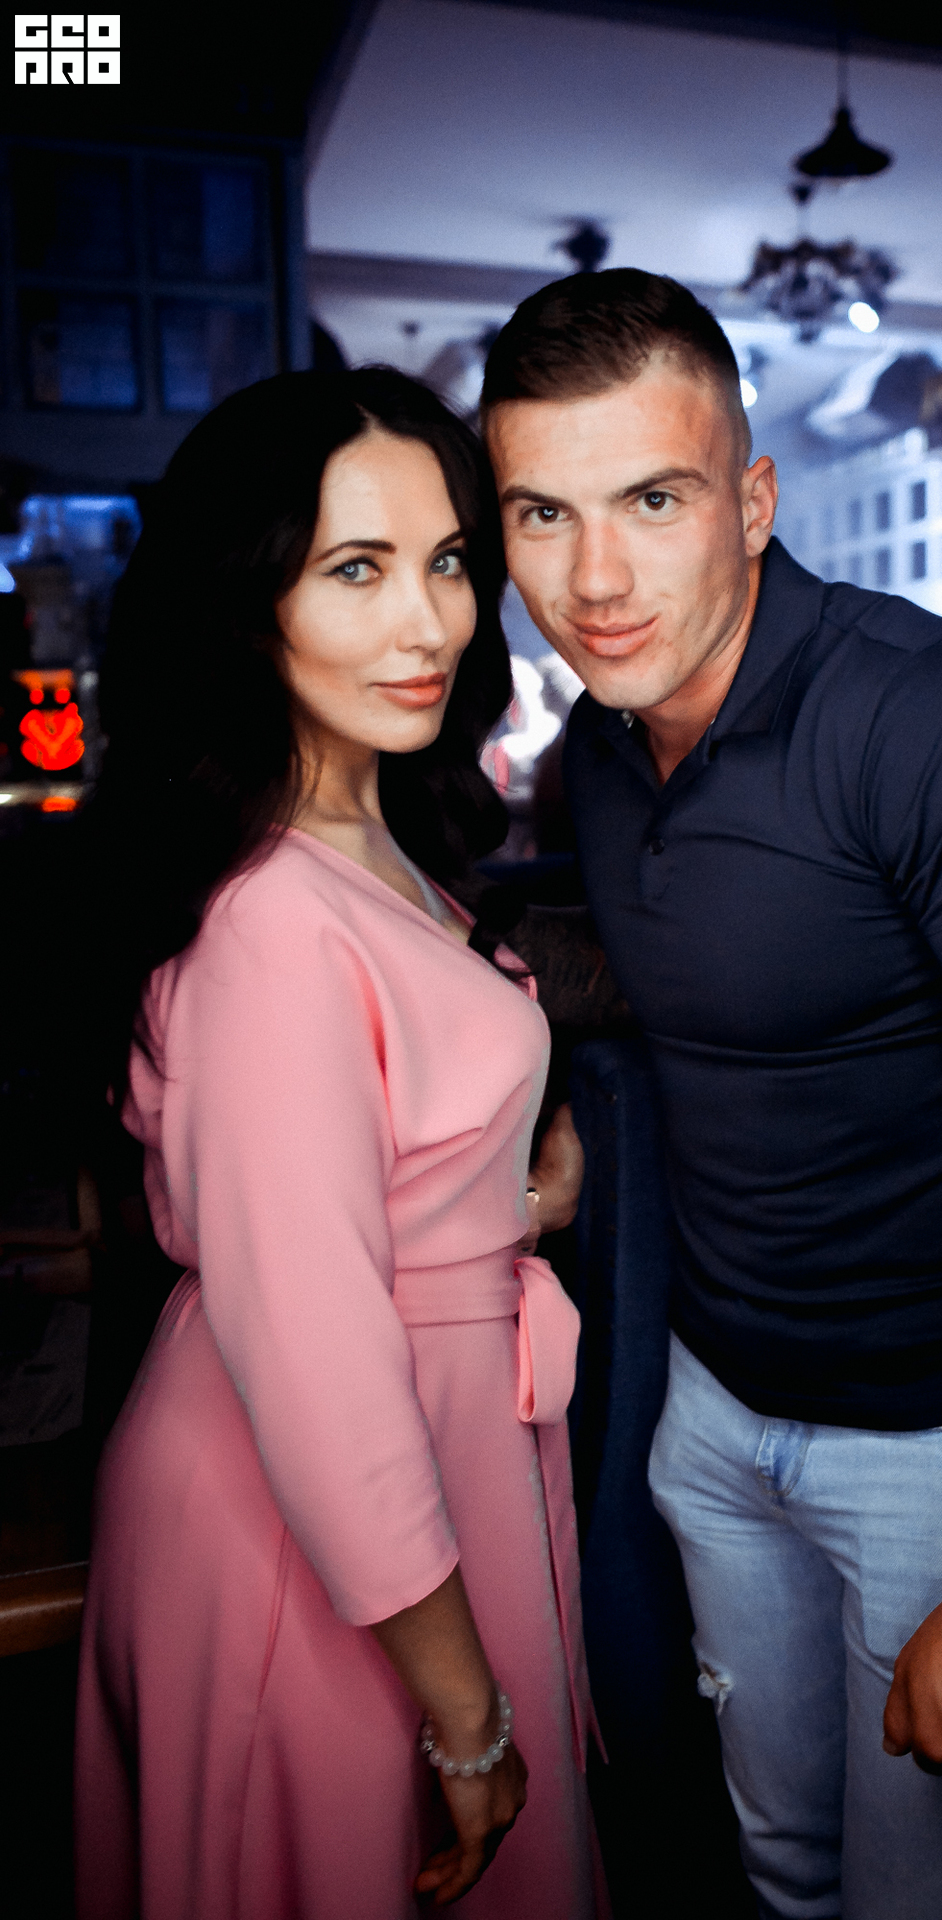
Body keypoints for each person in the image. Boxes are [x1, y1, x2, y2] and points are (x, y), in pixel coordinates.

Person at [479, 270, 942, 1920]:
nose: (593, 580)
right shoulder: (601, 743)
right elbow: (723, 979)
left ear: (752, 502)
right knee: (779, 1872)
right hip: (713, 1416)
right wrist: (534, 1093)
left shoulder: (939, 713)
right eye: (542, 514)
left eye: (653, 500)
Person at [73, 368, 604, 1920]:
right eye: (355, 569)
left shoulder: (368, 839)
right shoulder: (270, 920)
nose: (426, 622)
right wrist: (465, 1709)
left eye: (446, 562)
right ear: (248, 610)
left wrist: (511, 1192)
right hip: (316, 1505)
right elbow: (310, 1344)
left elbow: (380, 1144)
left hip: (430, 1451)